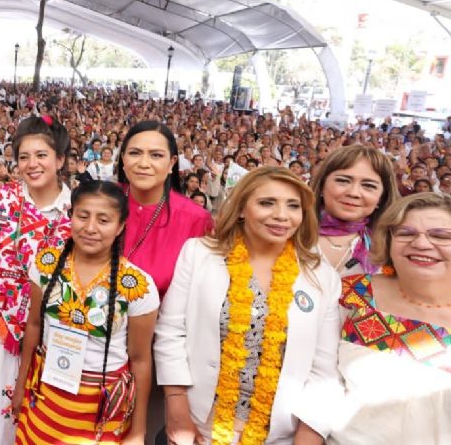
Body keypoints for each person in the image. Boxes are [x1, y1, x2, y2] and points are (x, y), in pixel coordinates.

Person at [154, 167, 340, 445]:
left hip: (278, 435)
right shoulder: (199, 254)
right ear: (241, 208)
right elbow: (170, 332)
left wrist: (307, 438)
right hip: (200, 427)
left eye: (293, 206)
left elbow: (324, 369)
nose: (281, 215)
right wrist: (177, 408)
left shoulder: (321, 276)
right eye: (267, 203)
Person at [12, 181, 159, 444]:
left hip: (101, 409)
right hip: (45, 397)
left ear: (120, 226)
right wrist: (21, 385)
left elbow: (140, 360)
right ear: (71, 217)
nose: (90, 228)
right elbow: (33, 326)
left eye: (104, 220)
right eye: (82, 216)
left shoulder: (138, 286)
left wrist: (138, 431)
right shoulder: (46, 264)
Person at [0, 116, 72, 445]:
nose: (32, 164)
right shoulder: (2, 198)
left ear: (60, 159)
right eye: (23, 156)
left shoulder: (76, 209)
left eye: (41, 155)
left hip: (48, 327)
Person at [326, 192, 451, 444]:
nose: (422, 243)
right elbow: (316, 379)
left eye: (440, 236)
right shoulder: (352, 293)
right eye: (406, 233)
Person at [115, 121, 213, 296]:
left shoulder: (196, 219)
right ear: (123, 158)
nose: (144, 163)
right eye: (135, 153)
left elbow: (198, 293)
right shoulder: (101, 200)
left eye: (156, 155)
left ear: (172, 163)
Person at [311, 145, 398, 275]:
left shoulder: (391, 248)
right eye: (343, 181)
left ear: (381, 198)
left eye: (368, 185)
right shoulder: (290, 235)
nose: (353, 193)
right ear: (322, 186)